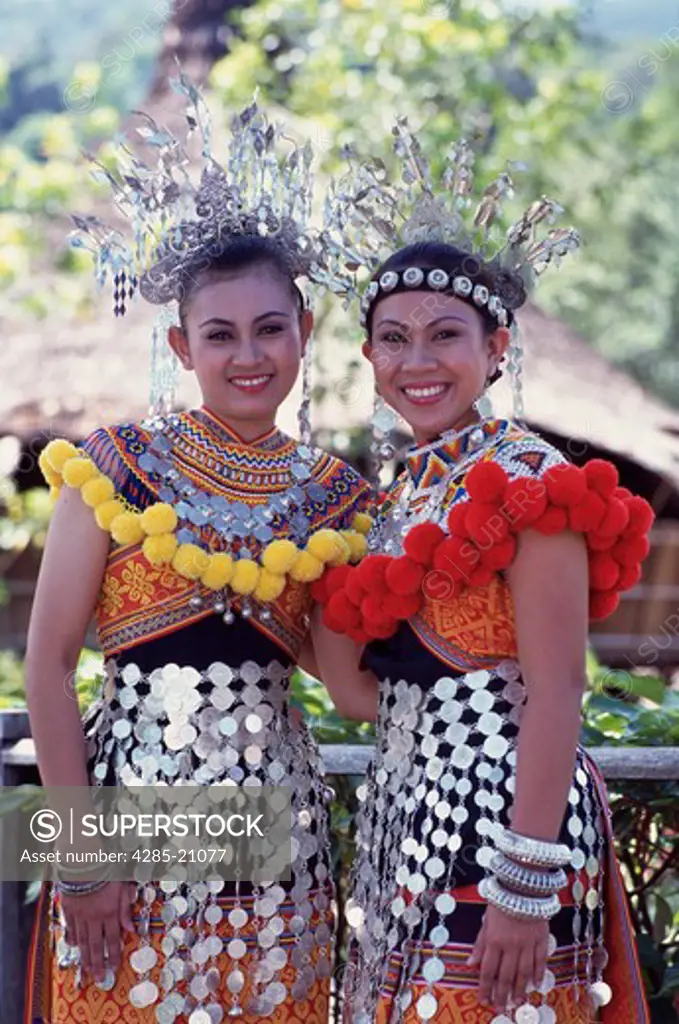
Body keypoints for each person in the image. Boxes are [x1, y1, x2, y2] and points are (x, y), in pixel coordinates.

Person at [24, 85, 370, 1024]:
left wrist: (502, 678)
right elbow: (49, 668)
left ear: (305, 333)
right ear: (182, 345)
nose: (247, 354)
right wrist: (78, 857)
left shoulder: (337, 500)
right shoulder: (113, 469)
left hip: (277, 836)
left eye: (270, 329)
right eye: (220, 334)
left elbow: (350, 687)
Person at [310, 131, 653, 1024]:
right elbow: (358, 698)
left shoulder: (533, 485)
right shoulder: (395, 501)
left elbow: (557, 692)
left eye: (443, 336)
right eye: (393, 339)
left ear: (496, 347)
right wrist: (283, 568)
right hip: (411, 814)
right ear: (368, 358)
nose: (416, 361)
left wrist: (523, 884)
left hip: (508, 823)